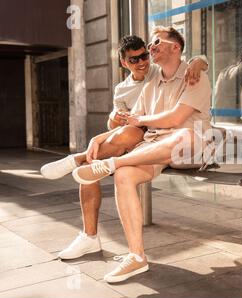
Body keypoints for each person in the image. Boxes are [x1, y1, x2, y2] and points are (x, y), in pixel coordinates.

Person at [39, 35, 208, 261]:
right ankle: (89, 236)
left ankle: (80, 159)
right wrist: (103, 132)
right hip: (138, 138)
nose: (142, 62)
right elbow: (121, 123)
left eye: (145, 55)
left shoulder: (157, 71)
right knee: (111, 147)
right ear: (124, 63)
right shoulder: (122, 89)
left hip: (155, 137)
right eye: (134, 59)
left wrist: (200, 61)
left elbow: (184, 59)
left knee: (120, 142)